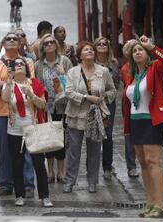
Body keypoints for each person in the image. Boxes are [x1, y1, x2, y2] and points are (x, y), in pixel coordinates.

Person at [122, 36, 163, 218]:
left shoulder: (155, 68)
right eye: (134, 51)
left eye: (140, 49)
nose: (137, 52)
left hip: (153, 120)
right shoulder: (130, 75)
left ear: (147, 53)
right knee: (142, 163)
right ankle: (150, 203)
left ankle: (160, 204)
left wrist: (152, 47)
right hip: (136, 121)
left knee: (152, 161)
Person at [63, 41, 116, 194]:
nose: (90, 52)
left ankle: (92, 181)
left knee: (94, 150)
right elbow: (68, 92)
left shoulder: (104, 71)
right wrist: (87, 97)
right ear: (80, 55)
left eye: (91, 50)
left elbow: (112, 90)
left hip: (96, 115)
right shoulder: (73, 72)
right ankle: (70, 181)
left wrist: (103, 98)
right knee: (74, 150)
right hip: (76, 114)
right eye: (86, 50)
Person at [1, 57, 53, 207]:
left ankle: (45, 196)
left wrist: (31, 94)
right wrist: (9, 80)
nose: (18, 66)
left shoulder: (34, 83)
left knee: (38, 163)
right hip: (14, 130)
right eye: (15, 64)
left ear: (26, 68)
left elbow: (42, 104)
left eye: (21, 64)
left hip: (33, 128)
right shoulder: (9, 85)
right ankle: (19, 195)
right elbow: (4, 99)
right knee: (17, 164)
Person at [0, 32, 35, 197]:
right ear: (3, 43)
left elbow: (29, 84)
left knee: (27, 148)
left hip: (24, 112)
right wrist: (14, 83)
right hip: (2, 112)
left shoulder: (28, 62)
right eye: (7, 39)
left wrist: (6, 84)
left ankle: (28, 184)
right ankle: (5, 183)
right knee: (5, 149)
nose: (11, 41)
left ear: (20, 43)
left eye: (14, 39)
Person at [35, 34, 72, 184]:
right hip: (45, 107)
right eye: (46, 43)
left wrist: (62, 74)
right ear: (42, 47)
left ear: (56, 45)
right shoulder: (38, 65)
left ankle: (61, 172)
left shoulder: (65, 61)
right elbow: (37, 85)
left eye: (52, 42)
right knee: (48, 139)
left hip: (61, 105)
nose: (49, 44)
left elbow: (71, 84)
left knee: (61, 139)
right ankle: (50, 171)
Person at [93, 37, 120, 180]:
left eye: (105, 44)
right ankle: (93, 167)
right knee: (94, 135)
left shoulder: (114, 64)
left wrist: (107, 96)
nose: (102, 46)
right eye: (99, 44)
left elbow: (117, 85)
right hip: (92, 103)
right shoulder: (91, 63)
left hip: (109, 102)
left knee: (108, 135)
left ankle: (107, 166)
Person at [120, 39, 139, 178]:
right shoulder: (125, 68)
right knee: (129, 135)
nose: (136, 52)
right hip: (129, 103)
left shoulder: (149, 66)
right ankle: (131, 165)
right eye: (132, 49)